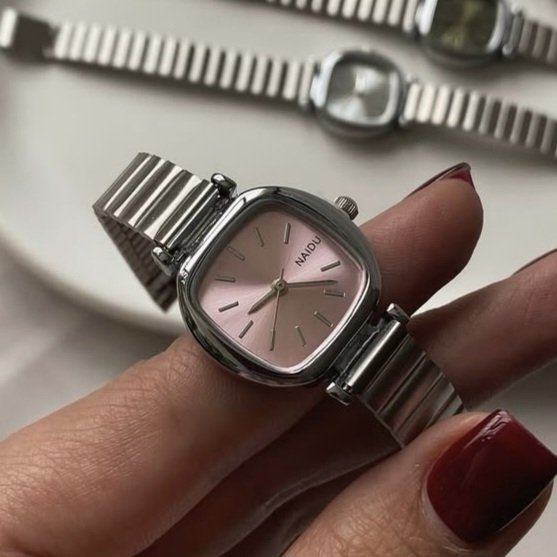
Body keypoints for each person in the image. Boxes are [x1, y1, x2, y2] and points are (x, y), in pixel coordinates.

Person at [0, 164, 555, 557]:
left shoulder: (268, 228)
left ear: (336, 220)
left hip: (350, 332)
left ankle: (442, 428)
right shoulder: (217, 299)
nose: (279, 284)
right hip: (322, 357)